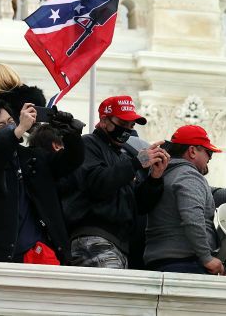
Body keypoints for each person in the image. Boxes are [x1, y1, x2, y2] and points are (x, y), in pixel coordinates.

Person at [0, 97, 84, 263]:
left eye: (11, 121)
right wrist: (18, 130)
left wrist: (71, 134)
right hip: (3, 259)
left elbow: (72, 161)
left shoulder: (35, 156)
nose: (10, 127)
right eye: (1, 126)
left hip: (45, 253)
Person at [144, 124, 226, 274]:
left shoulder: (168, 173)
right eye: (208, 153)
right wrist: (207, 258)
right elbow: (192, 217)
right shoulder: (189, 176)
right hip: (184, 264)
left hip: (162, 260)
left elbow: (210, 195)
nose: (210, 158)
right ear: (192, 151)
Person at [62, 96, 170, 269]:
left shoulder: (122, 156)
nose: (127, 129)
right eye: (122, 122)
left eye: (131, 125)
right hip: (93, 239)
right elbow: (98, 184)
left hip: (118, 244)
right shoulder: (88, 144)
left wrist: (155, 178)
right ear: (104, 121)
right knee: (107, 295)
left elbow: (139, 206)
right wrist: (137, 162)